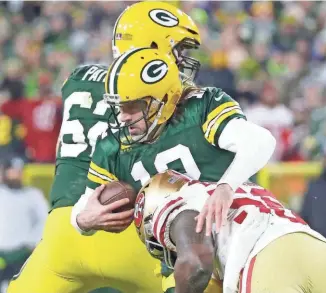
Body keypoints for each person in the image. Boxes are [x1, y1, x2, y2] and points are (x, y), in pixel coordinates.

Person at [7, 2, 202, 293]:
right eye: (177, 50)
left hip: (63, 232)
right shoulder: (168, 97)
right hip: (129, 231)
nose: (181, 60)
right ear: (152, 46)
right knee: (206, 275)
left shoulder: (78, 78)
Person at [72, 47, 275, 252]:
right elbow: (84, 205)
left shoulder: (200, 109)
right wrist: (84, 220)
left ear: (163, 100)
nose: (123, 116)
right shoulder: (112, 146)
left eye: (132, 106)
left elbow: (262, 141)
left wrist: (226, 187)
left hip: (236, 236)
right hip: (175, 259)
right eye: (119, 107)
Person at [134, 169, 326, 293]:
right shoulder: (232, 187)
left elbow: (197, 261)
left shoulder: (172, 205)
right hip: (323, 251)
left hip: (268, 261)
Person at [0, 156, 48, 293]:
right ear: (5, 172)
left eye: (19, 171)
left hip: (23, 253)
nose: (16, 174)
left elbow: (44, 219)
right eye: (13, 171)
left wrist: (32, 243)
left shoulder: (33, 195)